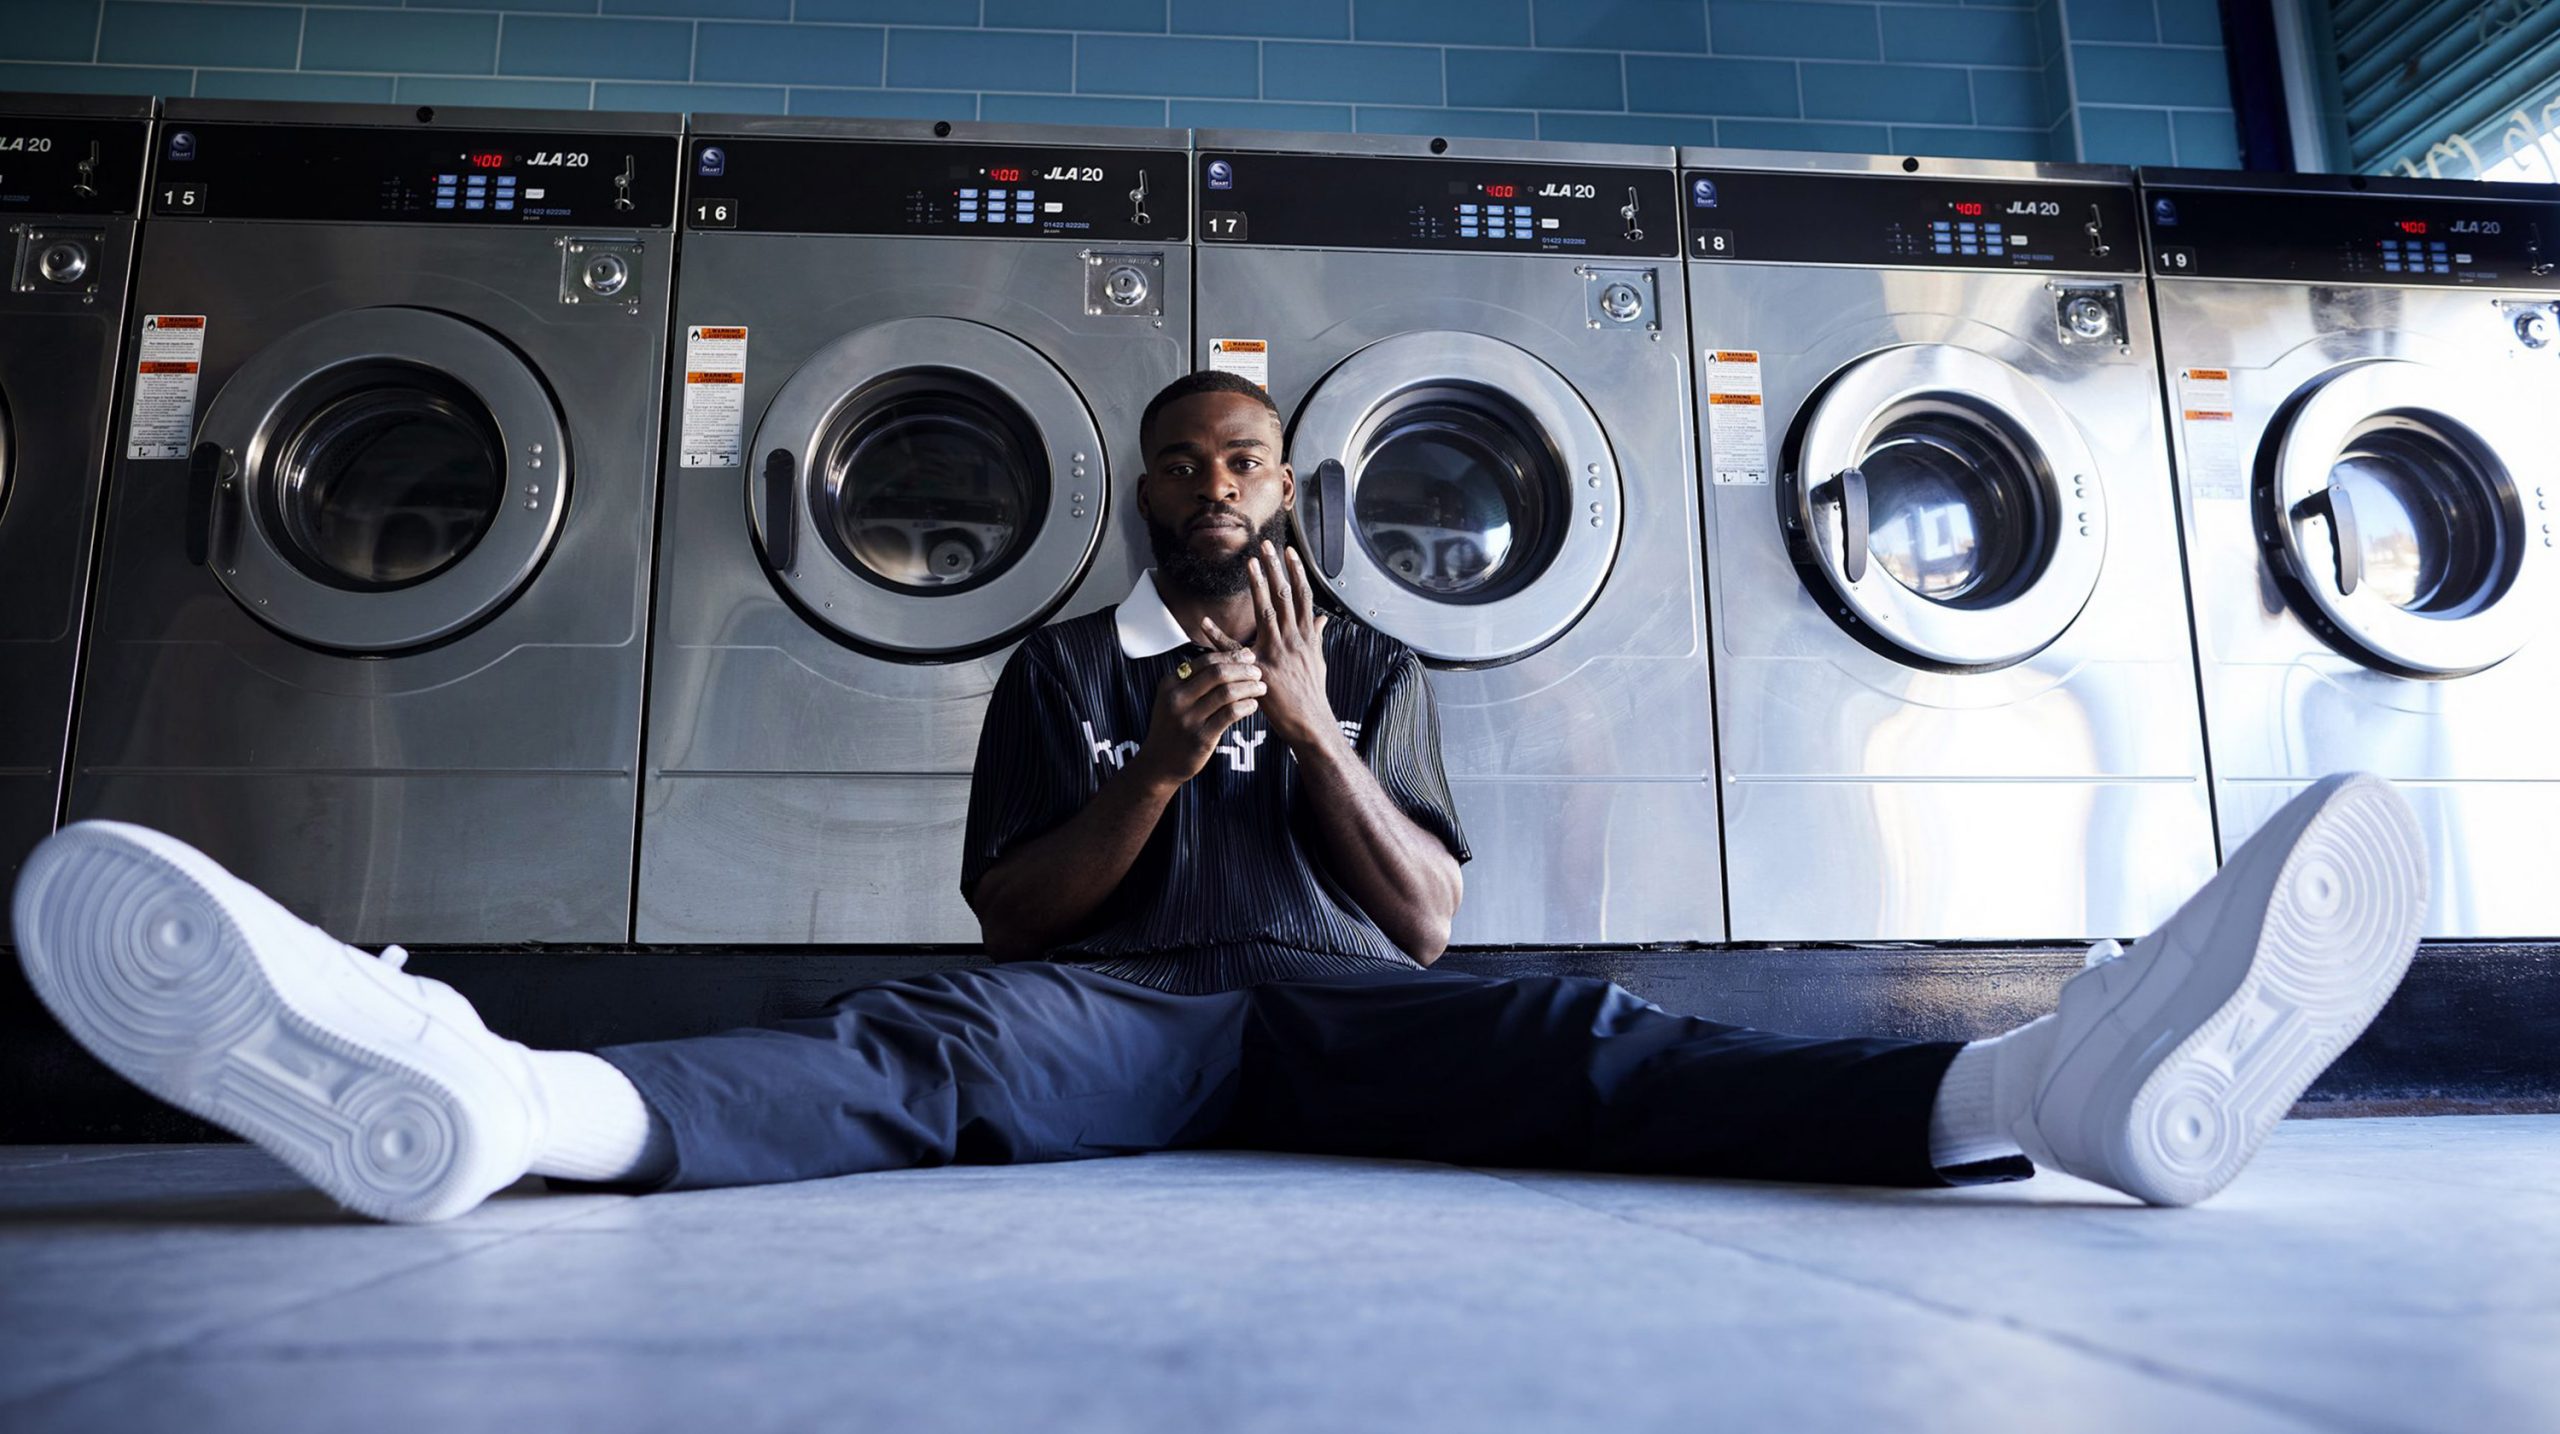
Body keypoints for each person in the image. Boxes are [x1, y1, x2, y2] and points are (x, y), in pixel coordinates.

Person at [10, 372, 2427, 1225]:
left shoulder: (1368, 654)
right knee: (918, 1055)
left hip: (1330, 1014)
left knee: (1574, 1043)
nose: (1214, 489)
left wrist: (1321, 737)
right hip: (1125, 1014)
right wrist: (1160, 764)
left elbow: (1428, 930)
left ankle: (2035, 1090)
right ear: (1143, 499)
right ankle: (502, 1103)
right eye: (1181, 467)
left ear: (1286, 483)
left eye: (1245, 457)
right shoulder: (1053, 660)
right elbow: (1012, 923)